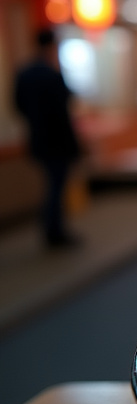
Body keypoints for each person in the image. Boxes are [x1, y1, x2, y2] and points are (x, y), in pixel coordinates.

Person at [14, 28, 82, 248]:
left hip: (38, 140)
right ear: (52, 46)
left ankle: (52, 229)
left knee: (52, 185)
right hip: (58, 142)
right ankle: (54, 232)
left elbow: (18, 106)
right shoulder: (52, 74)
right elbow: (64, 110)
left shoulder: (24, 74)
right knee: (56, 187)